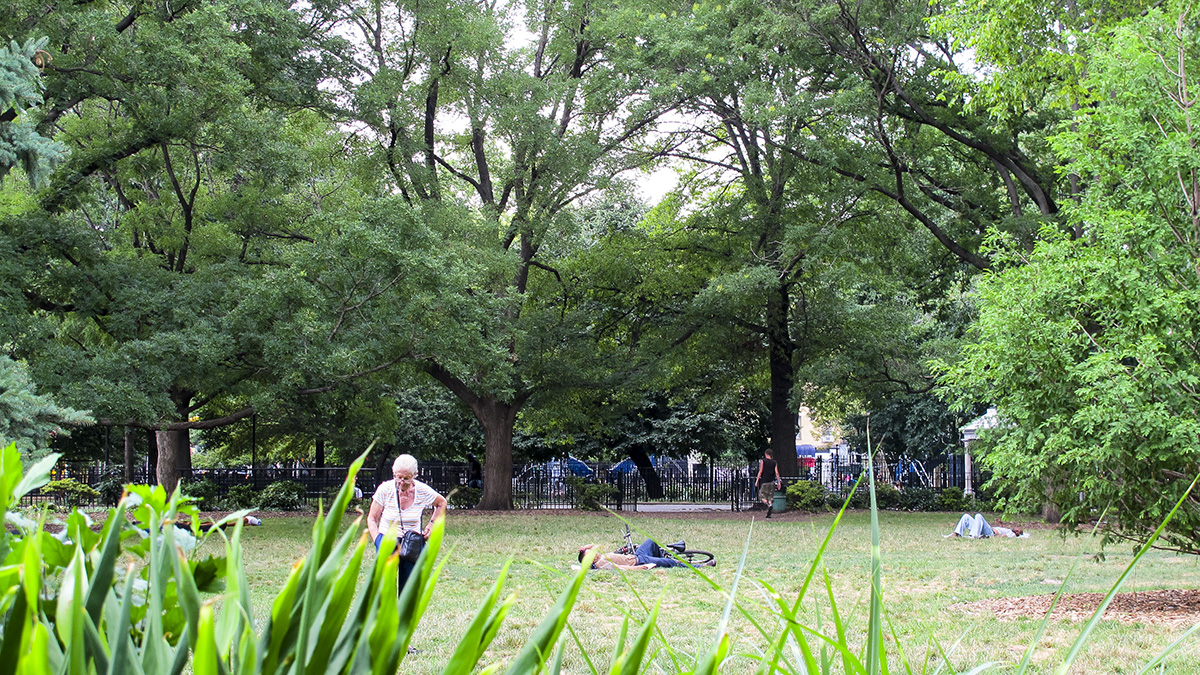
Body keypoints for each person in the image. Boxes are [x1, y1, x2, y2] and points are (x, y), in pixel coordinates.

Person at [367, 454, 448, 593]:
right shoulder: (385, 489)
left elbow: (442, 503)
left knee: (408, 590)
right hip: (388, 540)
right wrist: (378, 541)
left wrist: (432, 525)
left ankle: (405, 615)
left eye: (406, 478)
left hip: (412, 543)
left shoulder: (422, 490)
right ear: (394, 474)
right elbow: (372, 519)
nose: (401, 482)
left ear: (415, 475)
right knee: (385, 590)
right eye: (398, 477)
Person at [578, 539, 710, 570]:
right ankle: (701, 567)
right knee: (671, 563)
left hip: (637, 555)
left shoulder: (599, 556)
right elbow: (622, 568)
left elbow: (595, 545)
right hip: (639, 561)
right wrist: (640, 568)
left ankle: (661, 560)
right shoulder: (601, 564)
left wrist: (584, 548)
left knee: (650, 542)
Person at [948, 513, 1024, 538]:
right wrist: (1000, 524)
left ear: (1017, 533)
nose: (1017, 529)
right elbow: (1001, 530)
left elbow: (1003, 536)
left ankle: (974, 536)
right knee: (966, 516)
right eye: (1018, 528)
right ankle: (956, 533)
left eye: (1018, 531)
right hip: (988, 529)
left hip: (990, 533)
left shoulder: (1012, 534)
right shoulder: (1009, 530)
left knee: (978, 516)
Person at [754, 449, 781, 518]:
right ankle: (770, 507)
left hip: (764, 482)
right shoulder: (774, 462)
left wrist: (757, 481)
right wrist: (778, 482)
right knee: (770, 497)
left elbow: (760, 471)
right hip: (772, 482)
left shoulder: (763, 461)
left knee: (762, 496)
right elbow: (777, 473)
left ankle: (768, 505)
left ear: (766, 454)